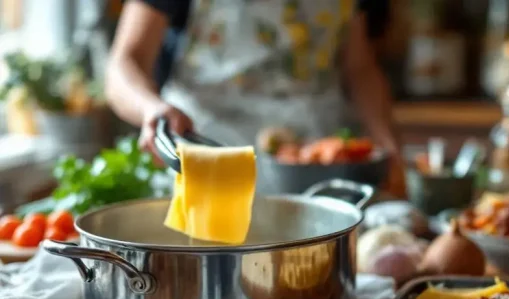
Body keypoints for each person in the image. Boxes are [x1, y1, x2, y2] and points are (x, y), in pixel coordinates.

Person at [106, 0, 403, 194]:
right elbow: (124, 63)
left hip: (315, 162)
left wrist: (385, 140)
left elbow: (359, 66)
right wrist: (152, 109)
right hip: (209, 153)